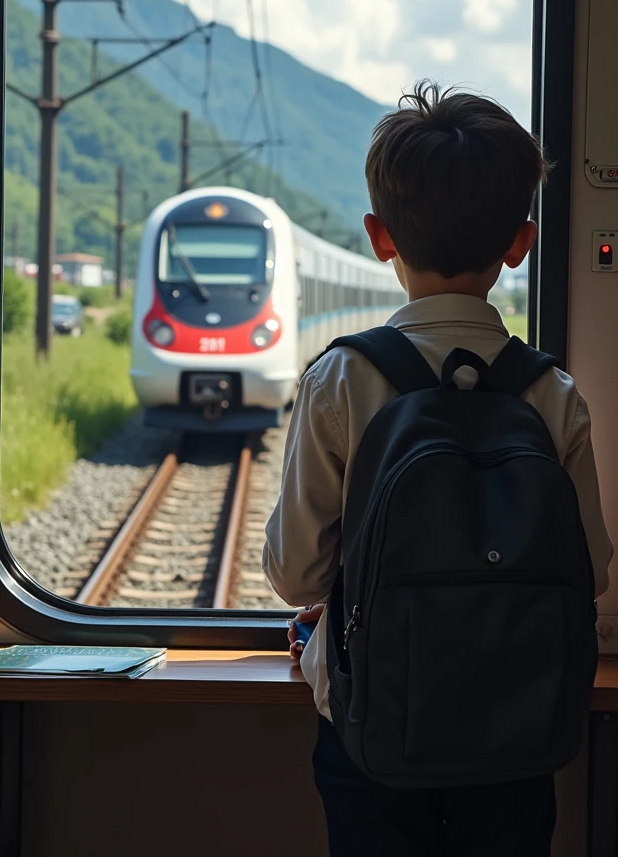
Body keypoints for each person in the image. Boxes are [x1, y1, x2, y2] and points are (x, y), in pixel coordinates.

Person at [262, 81, 613, 857]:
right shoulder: (551, 392)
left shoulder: (340, 381)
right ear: (520, 245)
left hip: (373, 726)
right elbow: (589, 573)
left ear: (378, 237)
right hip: (519, 728)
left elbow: (296, 577)